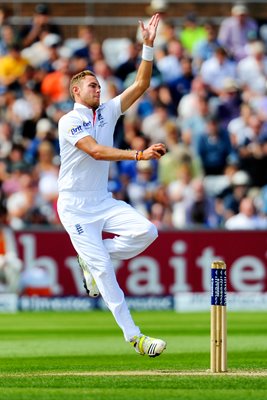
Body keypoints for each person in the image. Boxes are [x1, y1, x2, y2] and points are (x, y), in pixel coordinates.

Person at [57, 14, 167, 358]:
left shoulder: (107, 111)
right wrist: (137, 155)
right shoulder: (69, 120)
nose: (98, 88)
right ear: (76, 91)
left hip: (101, 200)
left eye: (99, 85)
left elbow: (141, 85)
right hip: (74, 206)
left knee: (148, 232)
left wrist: (147, 46)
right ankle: (135, 337)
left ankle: (91, 259)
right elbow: (95, 150)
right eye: (92, 86)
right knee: (104, 270)